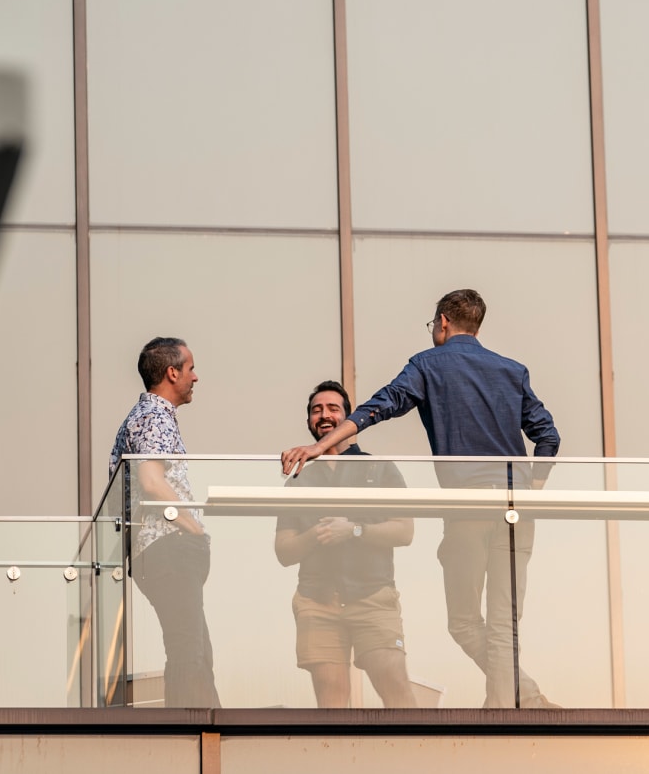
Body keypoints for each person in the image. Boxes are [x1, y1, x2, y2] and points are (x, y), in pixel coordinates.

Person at [281, 289, 560, 708]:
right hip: (516, 511)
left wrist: (322, 446)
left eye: (433, 325)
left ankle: (513, 706)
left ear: (443, 322)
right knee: (505, 625)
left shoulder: (429, 364)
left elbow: (378, 407)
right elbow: (549, 438)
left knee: (465, 622)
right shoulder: (512, 370)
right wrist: (530, 492)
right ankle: (513, 707)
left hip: (468, 510)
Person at [274, 381, 418, 708]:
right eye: (316, 410)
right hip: (316, 601)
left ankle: (415, 757)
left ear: (349, 417)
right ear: (310, 421)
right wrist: (315, 534)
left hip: (373, 596)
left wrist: (353, 530)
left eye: (332, 408)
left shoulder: (378, 468)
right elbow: (283, 551)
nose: (323, 415)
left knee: (396, 686)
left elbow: (404, 531)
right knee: (332, 704)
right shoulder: (299, 479)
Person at [107, 337, 220, 707]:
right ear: (172, 373)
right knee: (189, 650)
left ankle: (210, 733)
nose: (196, 377)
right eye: (190, 368)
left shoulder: (140, 417)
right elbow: (152, 482)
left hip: (154, 550)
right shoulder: (155, 415)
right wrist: (194, 528)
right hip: (167, 546)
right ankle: (189, 740)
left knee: (197, 650)